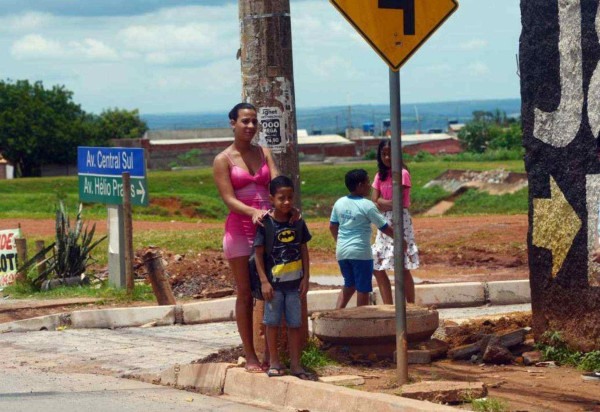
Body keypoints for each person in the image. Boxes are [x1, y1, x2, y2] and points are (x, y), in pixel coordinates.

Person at [213, 102, 279, 373]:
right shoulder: (222, 160)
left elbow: (276, 185)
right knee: (244, 293)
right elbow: (229, 199)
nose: (250, 126)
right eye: (244, 121)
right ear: (232, 123)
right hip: (240, 230)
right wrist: (253, 211)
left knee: (270, 291)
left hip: (267, 229)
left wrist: (281, 210)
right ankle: (249, 354)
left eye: (254, 121)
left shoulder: (265, 152)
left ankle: (272, 354)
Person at [254, 175, 313, 379]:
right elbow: (258, 253)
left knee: (295, 324)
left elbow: (303, 249)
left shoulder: (297, 222)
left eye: (290, 197)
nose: (286, 202)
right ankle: (275, 362)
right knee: (272, 324)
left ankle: (296, 364)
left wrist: (306, 278)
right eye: (281, 198)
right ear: (271, 199)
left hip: (295, 285)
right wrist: (263, 281)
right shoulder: (265, 224)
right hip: (274, 286)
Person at [330, 169, 394, 308]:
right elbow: (384, 227)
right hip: (361, 254)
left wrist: (340, 242)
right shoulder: (367, 205)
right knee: (363, 289)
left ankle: (337, 312)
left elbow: (332, 226)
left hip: (342, 253)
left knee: (349, 284)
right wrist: (401, 240)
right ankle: (361, 319)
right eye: (367, 182)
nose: (370, 185)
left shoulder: (339, 203)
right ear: (360, 185)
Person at [371, 139, 420, 304]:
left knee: (401, 266)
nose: (387, 157)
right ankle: (388, 305)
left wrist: (382, 202)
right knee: (377, 265)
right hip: (383, 222)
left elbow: (398, 202)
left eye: (390, 154)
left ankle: (411, 304)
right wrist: (384, 203)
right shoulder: (380, 175)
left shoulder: (403, 174)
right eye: (383, 154)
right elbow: (374, 201)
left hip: (400, 221)